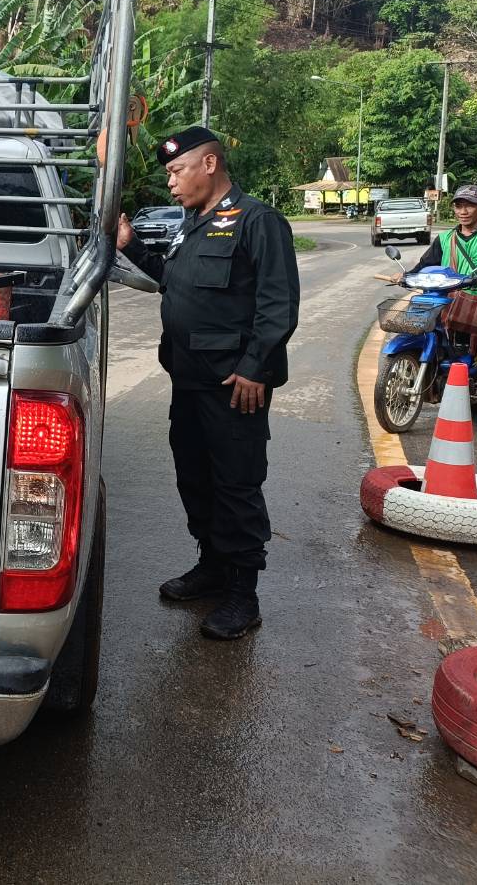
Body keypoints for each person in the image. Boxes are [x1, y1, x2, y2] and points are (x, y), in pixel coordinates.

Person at [117, 126, 301, 640]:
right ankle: (213, 566)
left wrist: (256, 367)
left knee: (236, 484)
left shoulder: (257, 221)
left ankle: (243, 593)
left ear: (210, 164)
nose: (171, 182)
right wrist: (131, 247)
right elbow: (170, 280)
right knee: (194, 478)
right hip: (189, 378)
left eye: (177, 171)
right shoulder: (192, 224)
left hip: (234, 383)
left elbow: (278, 304)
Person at [395, 185, 477, 419]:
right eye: (458, 206)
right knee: (419, 328)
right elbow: (426, 264)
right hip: (444, 301)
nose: (462, 211)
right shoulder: (446, 238)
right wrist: (406, 276)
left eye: (469, 206)